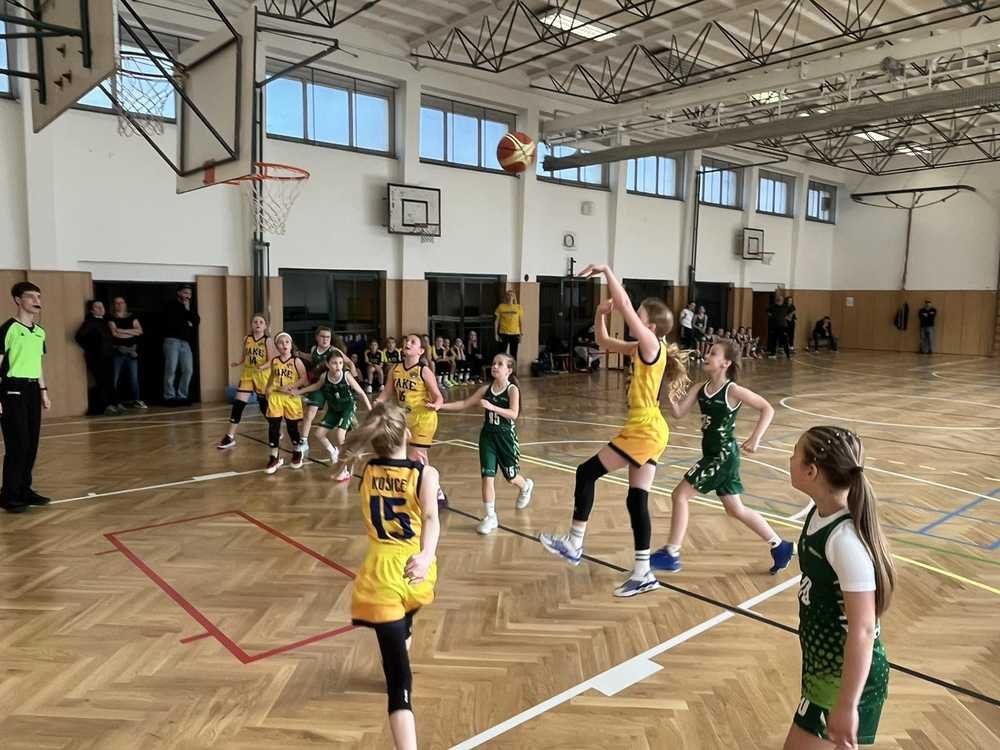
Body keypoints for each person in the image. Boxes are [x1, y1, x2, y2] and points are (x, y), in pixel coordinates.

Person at [540, 264, 688, 597]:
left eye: (640, 314)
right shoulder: (640, 347)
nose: (634, 315)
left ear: (650, 325)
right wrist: (599, 313)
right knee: (636, 499)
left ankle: (575, 543)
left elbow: (623, 305)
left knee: (586, 472)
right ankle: (643, 573)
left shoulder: (650, 344)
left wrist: (607, 270)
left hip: (645, 429)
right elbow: (603, 341)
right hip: (647, 427)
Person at [335, 401, 440, 750]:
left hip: (379, 577)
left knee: (398, 680)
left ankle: (397, 655)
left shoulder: (367, 470)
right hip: (416, 571)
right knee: (400, 679)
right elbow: (431, 518)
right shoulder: (425, 474)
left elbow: (390, 473)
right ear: (407, 434)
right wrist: (426, 555)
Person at [783, 427, 894, 750]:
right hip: (825, 671)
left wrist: (847, 705)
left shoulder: (844, 542)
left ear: (811, 471)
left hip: (846, 680)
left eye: (795, 453)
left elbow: (863, 629)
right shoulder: (819, 515)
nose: (789, 459)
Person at [651, 340, 794, 573]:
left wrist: (755, 438)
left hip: (722, 456)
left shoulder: (732, 390)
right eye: (708, 352)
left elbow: (767, 408)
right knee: (736, 510)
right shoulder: (700, 388)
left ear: (725, 363)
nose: (707, 355)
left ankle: (671, 553)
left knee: (679, 495)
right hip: (714, 455)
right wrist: (669, 390)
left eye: (713, 353)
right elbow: (678, 413)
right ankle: (780, 546)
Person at [430, 353, 534, 535]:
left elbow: (514, 414)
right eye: (494, 363)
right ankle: (490, 516)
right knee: (487, 476)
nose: (495, 366)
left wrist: (492, 407)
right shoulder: (486, 389)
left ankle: (525, 486)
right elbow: (464, 403)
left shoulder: (512, 390)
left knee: (511, 477)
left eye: (500, 364)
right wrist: (440, 406)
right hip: (488, 437)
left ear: (509, 370)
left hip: (505, 438)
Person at [377, 334, 448, 508]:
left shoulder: (424, 371)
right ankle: (436, 491)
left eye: (413, 342)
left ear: (421, 351)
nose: (407, 343)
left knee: (414, 456)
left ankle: (410, 494)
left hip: (424, 419)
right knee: (417, 457)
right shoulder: (395, 369)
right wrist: (378, 402)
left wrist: (437, 404)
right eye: (407, 341)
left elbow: (438, 396)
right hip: (405, 419)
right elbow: (387, 392)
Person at [0, 281, 51, 513]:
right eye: (31, 296)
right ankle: (9, 495)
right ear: (18, 300)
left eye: (38, 297)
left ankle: (24, 490)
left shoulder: (39, 332)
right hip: (12, 389)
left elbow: (37, 363)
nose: (36, 301)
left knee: (31, 444)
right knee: (17, 443)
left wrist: (43, 391)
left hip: (32, 391)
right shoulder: (8, 329)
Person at [288, 351, 371, 479]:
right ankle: (334, 452)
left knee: (339, 435)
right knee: (319, 434)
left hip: (347, 407)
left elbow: (361, 393)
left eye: (340, 363)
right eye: (334, 363)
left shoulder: (346, 375)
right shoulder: (324, 376)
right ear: (327, 364)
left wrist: (370, 409)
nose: (338, 366)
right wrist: (299, 391)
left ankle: (343, 469)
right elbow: (316, 386)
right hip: (334, 409)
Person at [217, 314, 275, 450]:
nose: (258, 324)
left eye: (261, 322)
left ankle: (276, 429)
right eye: (255, 322)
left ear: (265, 326)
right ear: (251, 325)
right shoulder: (246, 339)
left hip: (262, 375)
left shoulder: (267, 341)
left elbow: (272, 360)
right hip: (248, 374)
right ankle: (230, 436)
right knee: (238, 405)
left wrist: (262, 367)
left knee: (264, 407)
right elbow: (245, 356)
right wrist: (239, 362)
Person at [263, 332, 308, 474]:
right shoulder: (274, 361)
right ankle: (274, 456)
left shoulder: (296, 361)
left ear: (291, 345)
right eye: (281, 343)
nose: (284, 345)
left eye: (287, 342)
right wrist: (267, 389)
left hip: (291, 397)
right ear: (277, 346)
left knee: (292, 427)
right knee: (273, 426)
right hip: (276, 396)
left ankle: (297, 451)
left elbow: (304, 379)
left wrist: (291, 386)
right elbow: (272, 376)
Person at [75, 300, 121, 416]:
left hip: (108, 356)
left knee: (109, 380)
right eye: (97, 307)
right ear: (92, 310)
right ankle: (106, 406)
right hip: (97, 357)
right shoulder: (90, 322)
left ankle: (114, 403)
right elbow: (79, 337)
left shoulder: (105, 322)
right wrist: (92, 349)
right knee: (102, 380)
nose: (101, 308)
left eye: (102, 306)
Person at [296, 326, 336, 457]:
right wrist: (300, 354)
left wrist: (354, 376)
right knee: (309, 413)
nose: (325, 339)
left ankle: (346, 444)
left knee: (343, 417)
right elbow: (312, 358)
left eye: (328, 337)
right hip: (318, 386)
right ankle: (304, 441)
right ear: (317, 337)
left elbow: (348, 362)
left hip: (333, 387)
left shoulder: (333, 351)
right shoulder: (314, 349)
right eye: (322, 336)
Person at [162, 285, 200, 405]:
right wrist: (186, 322)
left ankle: (182, 396)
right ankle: (169, 396)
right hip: (172, 340)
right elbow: (172, 322)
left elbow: (196, 321)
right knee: (171, 369)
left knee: (188, 370)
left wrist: (187, 310)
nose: (188, 296)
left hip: (185, 342)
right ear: (179, 293)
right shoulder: (171, 305)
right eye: (185, 293)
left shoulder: (190, 307)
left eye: (189, 294)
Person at [108, 297, 146, 409]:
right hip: (118, 351)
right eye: (117, 303)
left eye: (121, 302)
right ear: (114, 305)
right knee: (114, 378)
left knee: (133, 378)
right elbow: (115, 334)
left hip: (131, 352)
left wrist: (123, 330)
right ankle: (113, 402)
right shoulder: (111, 318)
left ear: (125, 304)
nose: (119, 305)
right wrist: (132, 332)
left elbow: (140, 331)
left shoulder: (132, 316)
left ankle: (136, 400)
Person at [494, 289, 524, 361]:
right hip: (504, 333)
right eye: (508, 295)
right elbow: (496, 321)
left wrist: (521, 335)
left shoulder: (518, 307)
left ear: (514, 297)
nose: (510, 296)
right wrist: (496, 334)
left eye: (511, 295)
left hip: (515, 333)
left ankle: (513, 368)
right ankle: (502, 367)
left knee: (513, 354)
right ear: (506, 296)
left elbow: (520, 322)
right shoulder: (501, 306)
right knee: (502, 354)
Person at [768, 290, 791, 359]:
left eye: (781, 299)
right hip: (774, 327)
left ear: (783, 300)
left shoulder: (785, 307)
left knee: (785, 341)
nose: (779, 300)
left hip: (783, 327)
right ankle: (773, 353)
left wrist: (788, 317)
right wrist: (773, 317)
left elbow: (791, 313)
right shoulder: (773, 306)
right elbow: (768, 312)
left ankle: (788, 354)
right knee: (773, 341)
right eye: (778, 299)